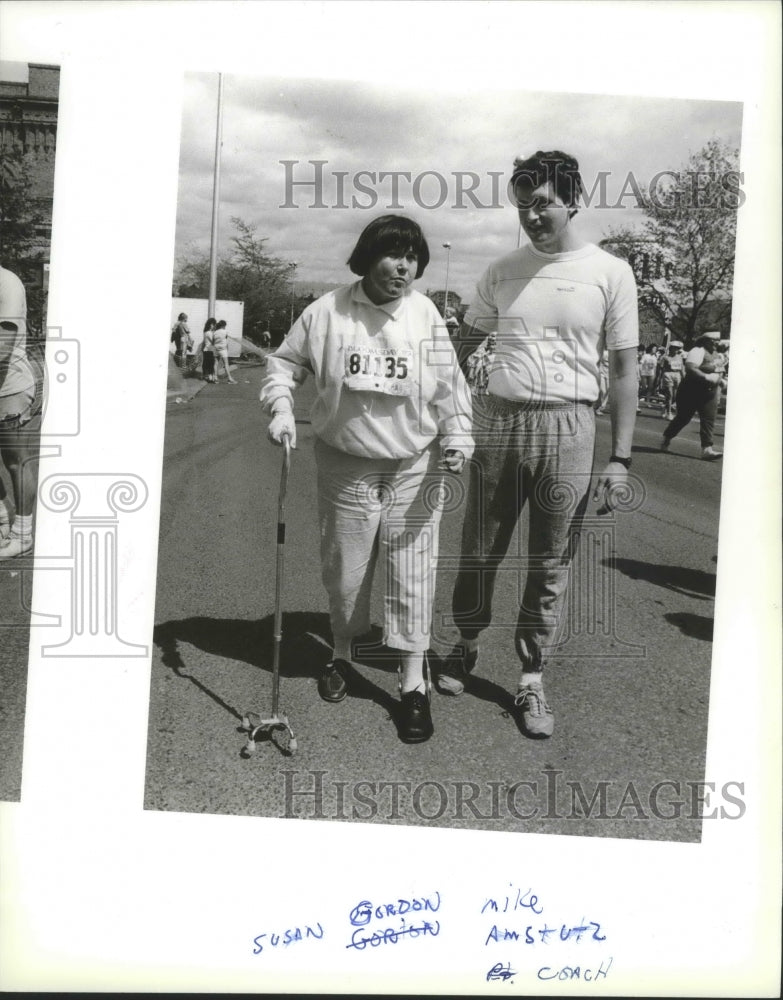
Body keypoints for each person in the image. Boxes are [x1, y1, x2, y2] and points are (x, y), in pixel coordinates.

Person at [438, 150, 639, 740]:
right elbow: (460, 350)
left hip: (569, 428)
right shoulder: (501, 270)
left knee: (550, 560)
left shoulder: (610, 272)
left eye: (543, 203)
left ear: (573, 200)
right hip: (498, 423)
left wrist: (620, 458)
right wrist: (453, 417)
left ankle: (530, 679)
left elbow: (625, 369)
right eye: (522, 205)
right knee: (479, 548)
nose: (531, 215)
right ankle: (464, 644)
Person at [260, 214, 473, 743]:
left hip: (412, 466)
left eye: (413, 257)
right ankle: (341, 652)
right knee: (346, 572)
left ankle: (412, 683)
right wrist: (281, 408)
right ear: (366, 256)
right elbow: (283, 366)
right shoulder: (326, 311)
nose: (403, 266)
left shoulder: (426, 316)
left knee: (413, 573)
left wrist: (458, 436)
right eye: (392, 254)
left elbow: (450, 388)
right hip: (345, 464)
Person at [0, 264, 42, 559]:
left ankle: (23, 534)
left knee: (16, 462)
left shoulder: (7, 283)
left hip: (9, 388)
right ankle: (2, 520)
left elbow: (3, 345)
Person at [660, 331, 725, 459]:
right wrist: (706, 376)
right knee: (683, 418)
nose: (716, 343)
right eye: (713, 341)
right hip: (691, 390)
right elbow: (691, 368)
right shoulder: (697, 351)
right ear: (705, 341)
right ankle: (667, 438)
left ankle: (707, 449)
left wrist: (721, 380)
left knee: (709, 418)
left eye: (718, 340)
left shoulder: (718, 355)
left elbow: (720, 370)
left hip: (709, 392)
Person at [658, 340, 684, 419]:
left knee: (675, 396)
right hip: (668, 375)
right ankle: (669, 413)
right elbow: (660, 368)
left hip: (677, 375)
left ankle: (664, 407)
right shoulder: (665, 357)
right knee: (670, 394)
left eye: (677, 348)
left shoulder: (680, 357)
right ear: (671, 348)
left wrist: (684, 377)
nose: (676, 350)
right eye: (674, 348)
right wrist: (659, 379)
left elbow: (682, 369)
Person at [201, 317, 217, 383]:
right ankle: (210, 377)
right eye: (213, 324)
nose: (214, 326)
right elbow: (213, 341)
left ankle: (207, 376)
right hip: (209, 350)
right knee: (210, 363)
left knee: (206, 363)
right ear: (211, 324)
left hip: (207, 349)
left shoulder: (206, 332)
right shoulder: (209, 333)